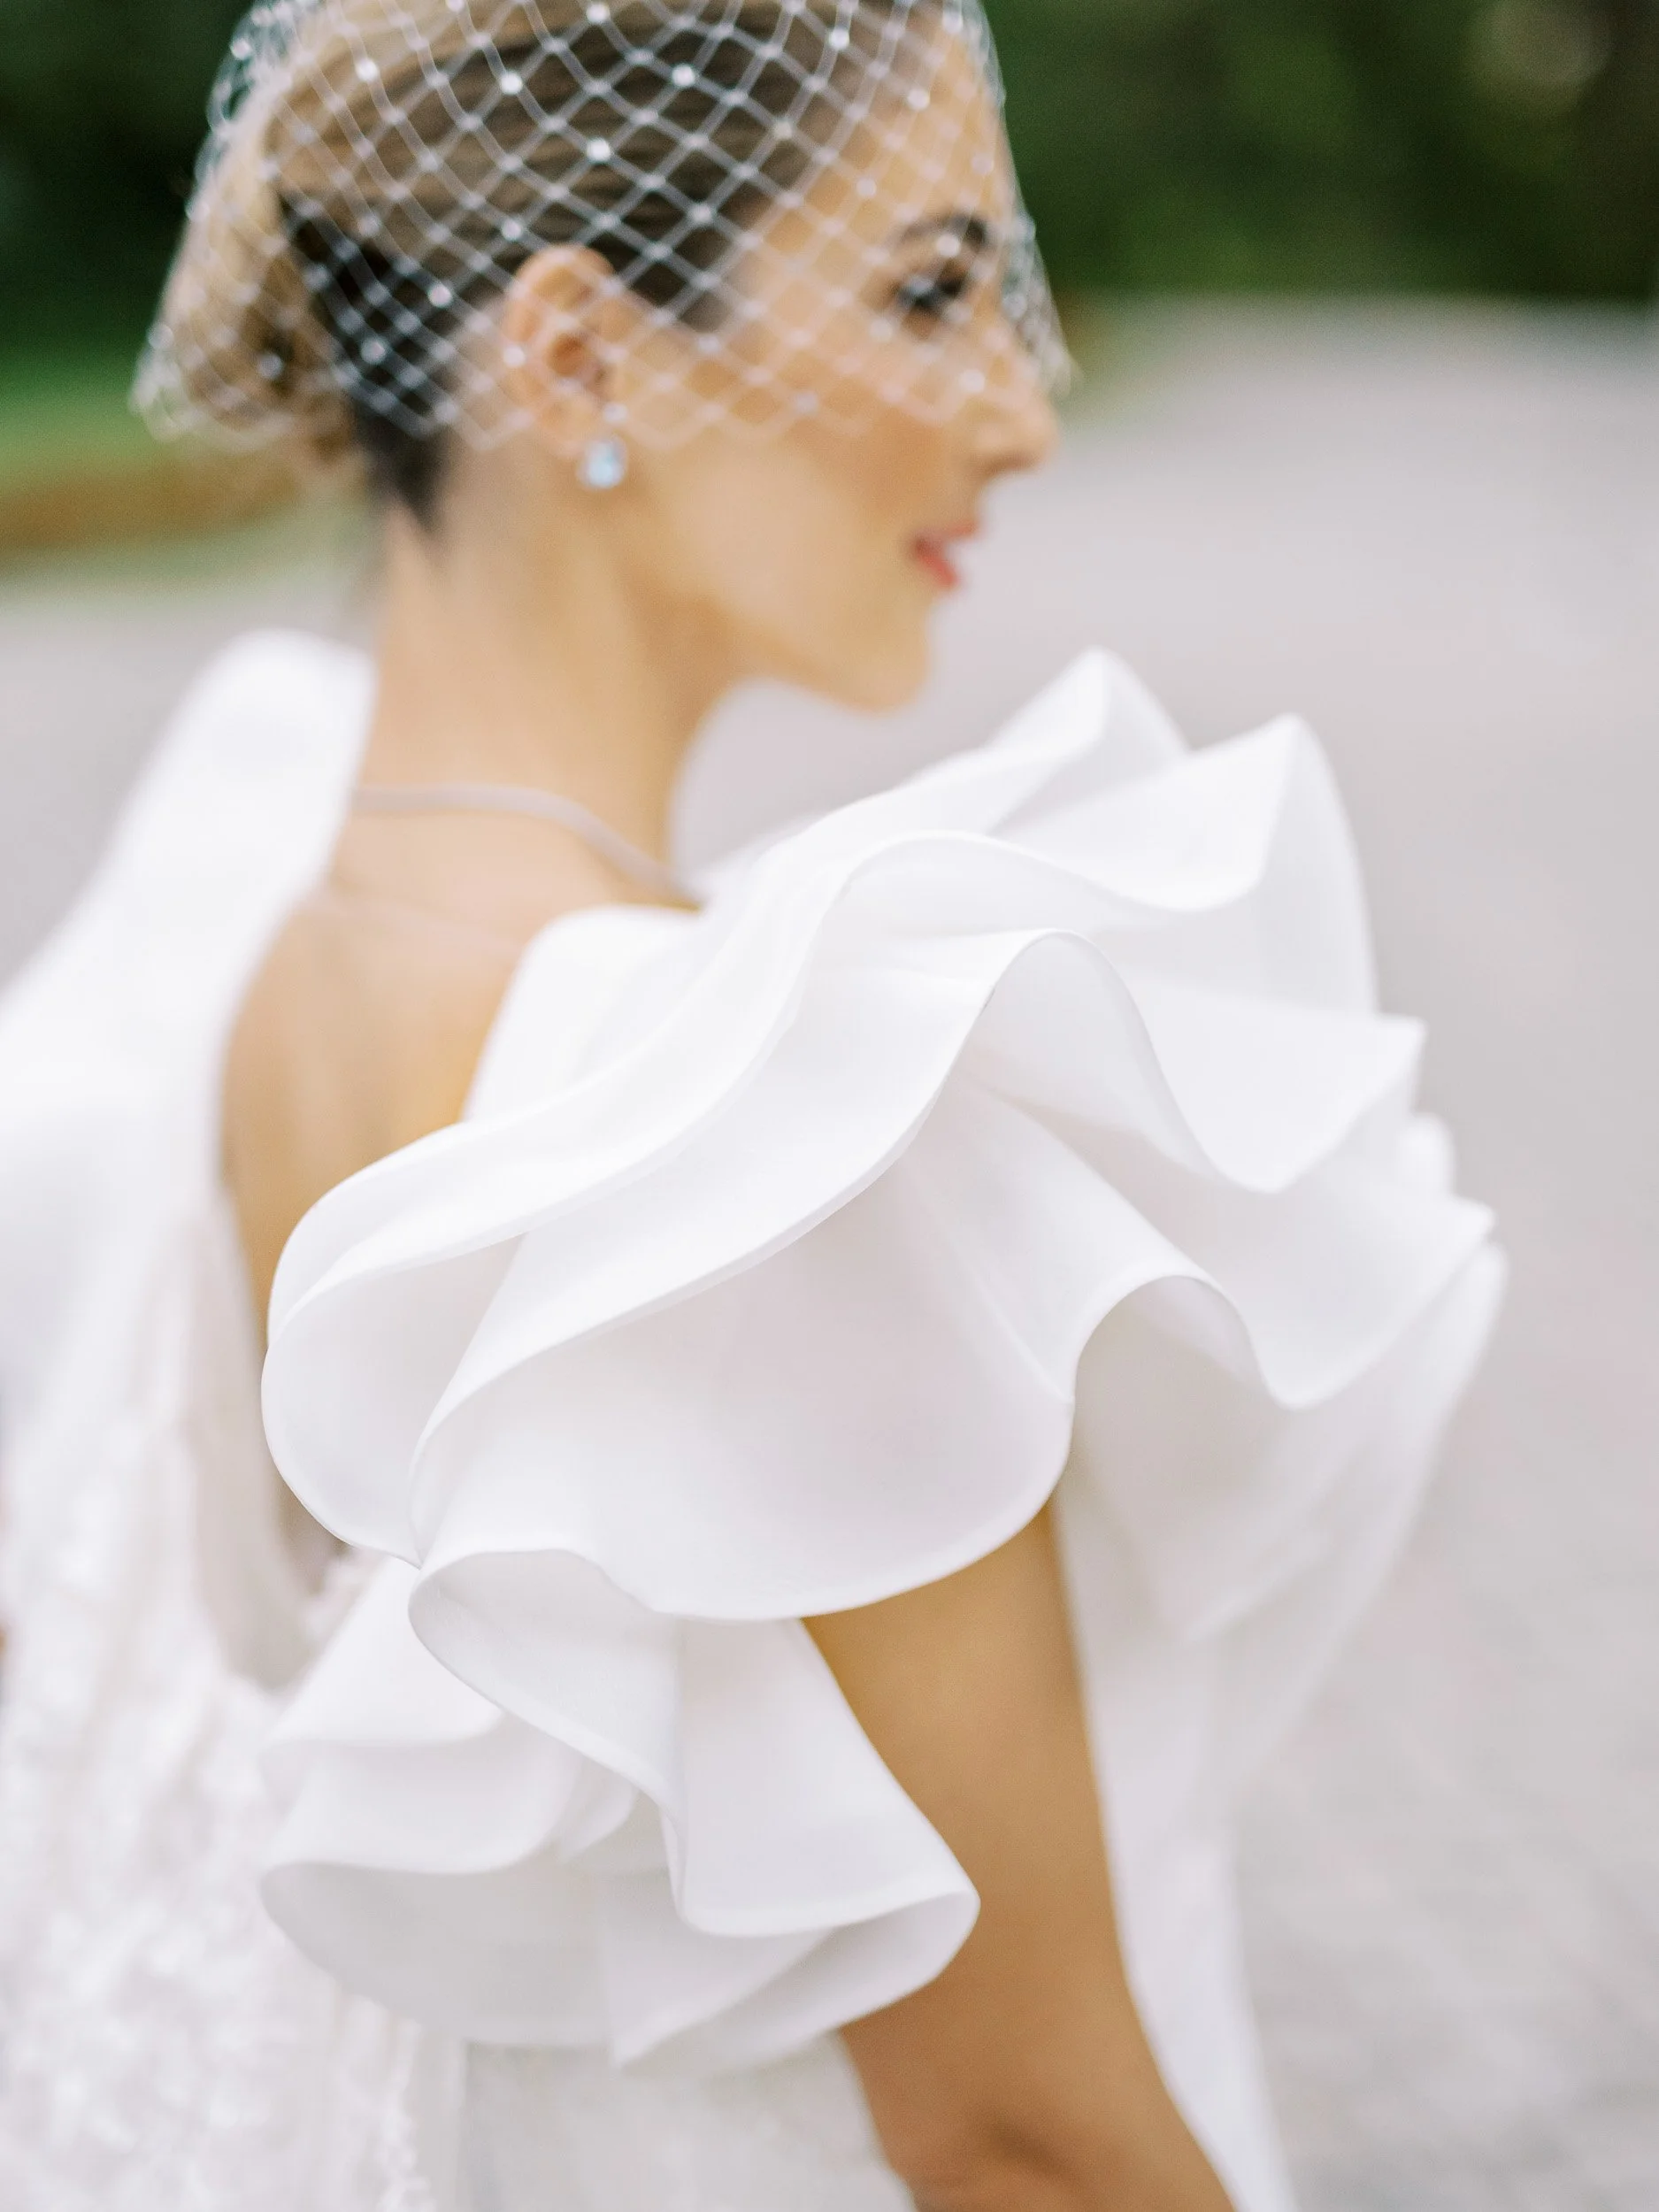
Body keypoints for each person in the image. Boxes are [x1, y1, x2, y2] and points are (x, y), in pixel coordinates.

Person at [0, 3, 1503, 2207]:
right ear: (580, 360)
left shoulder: (235, 926)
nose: (1021, 405)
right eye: (928, 288)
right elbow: (1027, 2141)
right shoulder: (755, 1140)